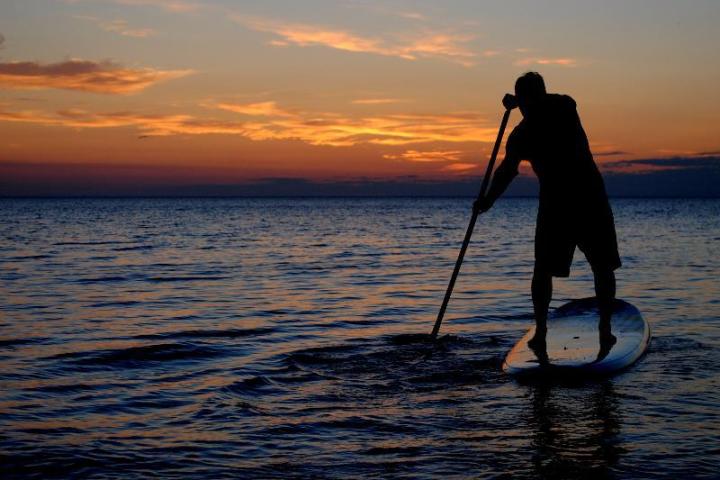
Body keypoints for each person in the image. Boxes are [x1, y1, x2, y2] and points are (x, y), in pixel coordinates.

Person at [475, 72, 621, 358]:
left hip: (588, 197)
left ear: (538, 96)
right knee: (542, 269)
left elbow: (553, 102)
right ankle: (541, 331)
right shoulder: (521, 134)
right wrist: (488, 200)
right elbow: (507, 171)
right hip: (556, 205)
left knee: (602, 266)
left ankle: (605, 328)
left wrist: (518, 100)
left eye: (529, 99)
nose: (528, 106)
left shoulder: (563, 107)